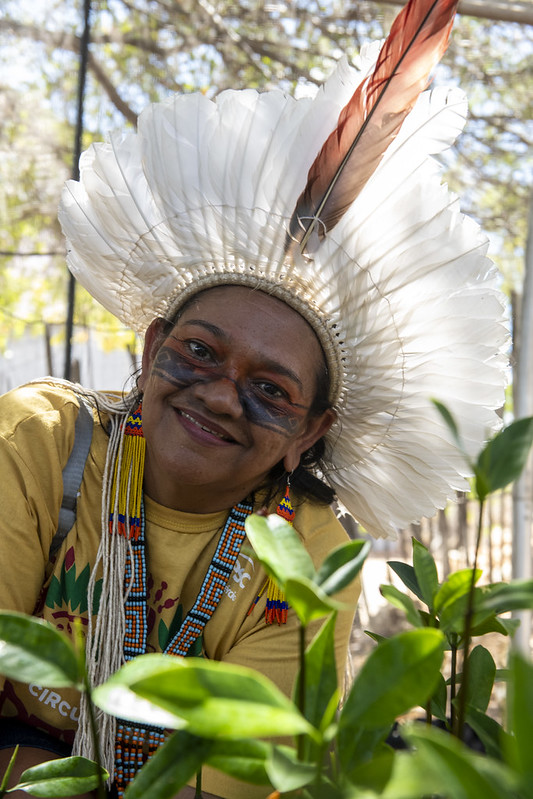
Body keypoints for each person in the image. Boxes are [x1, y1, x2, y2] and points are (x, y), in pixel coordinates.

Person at [0, 0, 508, 796]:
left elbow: (234, 781)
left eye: (270, 390)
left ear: (312, 431)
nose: (221, 396)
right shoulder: (38, 442)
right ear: (151, 343)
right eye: (198, 352)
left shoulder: (303, 556)